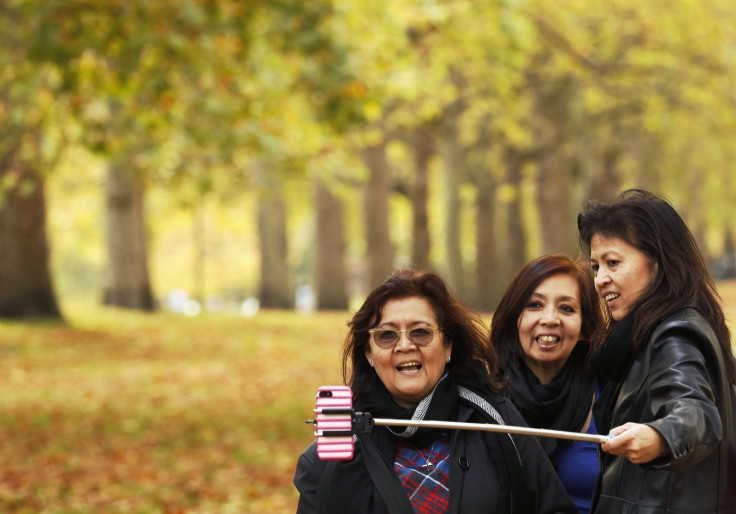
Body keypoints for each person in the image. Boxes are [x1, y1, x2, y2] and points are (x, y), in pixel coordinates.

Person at [294, 269, 577, 513]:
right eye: (387, 335)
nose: (404, 346)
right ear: (369, 352)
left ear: (448, 345)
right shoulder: (335, 447)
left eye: (420, 332)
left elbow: (554, 507)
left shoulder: (496, 418)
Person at [577, 189, 736, 513]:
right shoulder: (651, 332)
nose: (600, 279)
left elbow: (697, 414)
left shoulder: (674, 335)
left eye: (613, 263)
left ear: (658, 262)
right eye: (596, 267)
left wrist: (659, 436)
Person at [491, 254, 604, 514]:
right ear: (514, 318)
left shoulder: (612, 394)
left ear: (585, 327)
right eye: (534, 305)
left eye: (566, 308)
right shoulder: (483, 401)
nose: (550, 318)